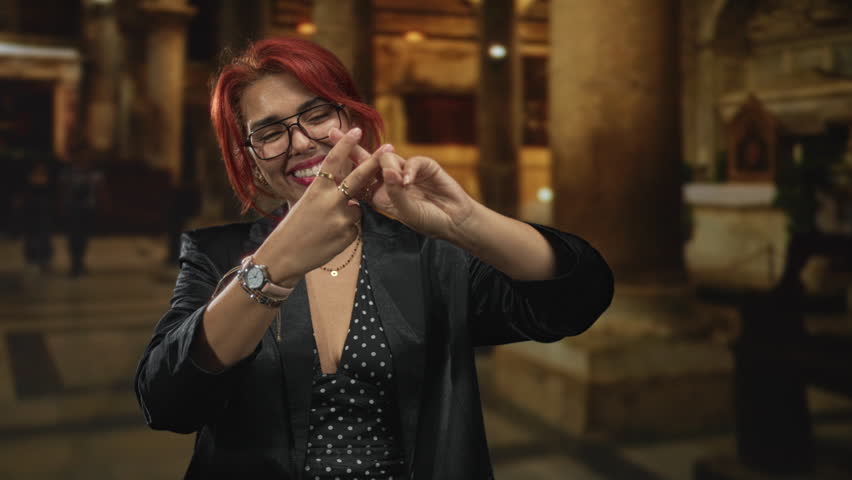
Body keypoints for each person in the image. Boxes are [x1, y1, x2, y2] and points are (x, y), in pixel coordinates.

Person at [134, 37, 614, 480]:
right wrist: (273, 266)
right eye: (270, 132)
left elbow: (576, 298)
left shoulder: (428, 256)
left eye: (317, 114)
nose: (301, 142)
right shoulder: (215, 256)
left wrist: (464, 222)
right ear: (251, 158)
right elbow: (167, 403)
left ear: (350, 119)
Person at [61, 146, 103, 276]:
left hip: (87, 207)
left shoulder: (93, 172)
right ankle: (75, 262)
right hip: (73, 208)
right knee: (74, 236)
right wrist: (62, 205)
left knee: (84, 236)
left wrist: (101, 205)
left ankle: (79, 261)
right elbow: (62, 189)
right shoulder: (68, 172)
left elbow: (100, 189)